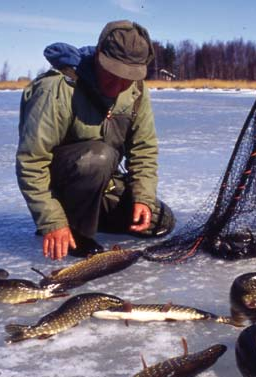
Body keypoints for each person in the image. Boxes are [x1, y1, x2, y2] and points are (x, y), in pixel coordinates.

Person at [16, 20, 174, 260]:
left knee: (160, 220)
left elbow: (144, 149)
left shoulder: (137, 91)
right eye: (113, 74)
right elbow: (32, 162)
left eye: (127, 78)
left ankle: (89, 215)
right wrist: (51, 220)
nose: (118, 85)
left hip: (101, 182)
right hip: (60, 183)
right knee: (99, 156)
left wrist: (143, 198)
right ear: (99, 55)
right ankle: (72, 230)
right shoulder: (57, 87)